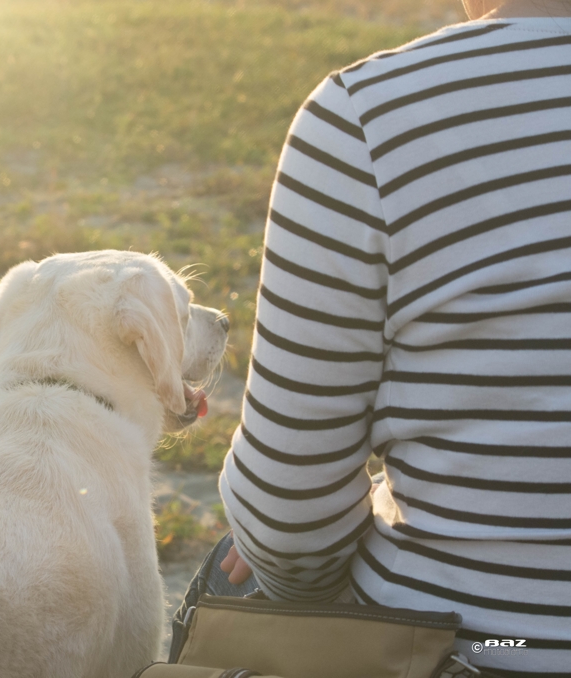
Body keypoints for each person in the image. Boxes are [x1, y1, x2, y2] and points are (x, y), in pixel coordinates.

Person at [172, 1, 571, 676]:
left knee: (234, 574)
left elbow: (288, 509)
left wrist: (315, 591)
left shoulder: (370, 115)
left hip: (482, 653)